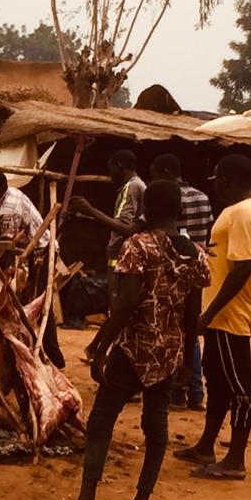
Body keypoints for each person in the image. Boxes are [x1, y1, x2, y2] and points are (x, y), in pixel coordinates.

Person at [38, 181, 209, 500]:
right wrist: (186, 363)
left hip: (134, 349)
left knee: (102, 420)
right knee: (156, 426)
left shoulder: (138, 246)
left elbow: (127, 302)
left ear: (147, 209)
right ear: (176, 211)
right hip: (168, 351)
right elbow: (192, 316)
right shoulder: (195, 254)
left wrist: (100, 346)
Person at [174, 154, 251, 481]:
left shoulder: (242, 213)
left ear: (228, 179)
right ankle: (206, 445)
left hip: (228, 315)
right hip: (225, 314)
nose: (214, 185)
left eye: (216, 178)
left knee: (240, 388)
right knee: (217, 382)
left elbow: (243, 267)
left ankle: (235, 460)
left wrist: (210, 312)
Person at [0, 169, 65, 368]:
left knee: (40, 306)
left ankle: (54, 357)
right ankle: (39, 350)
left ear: (1, 186)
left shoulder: (9, 207)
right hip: (39, 250)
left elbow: (7, 248)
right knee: (33, 304)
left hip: (42, 253)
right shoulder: (9, 194)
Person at [69, 150, 146, 360]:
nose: (109, 173)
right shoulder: (136, 187)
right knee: (117, 306)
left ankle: (108, 355)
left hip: (120, 258)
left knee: (118, 306)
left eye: (111, 167)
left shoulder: (131, 187)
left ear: (119, 165)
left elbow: (124, 228)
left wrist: (90, 209)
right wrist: (84, 215)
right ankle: (96, 348)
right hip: (121, 255)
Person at [151, 153, 214, 411]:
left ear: (165, 172)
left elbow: (172, 233)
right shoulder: (202, 196)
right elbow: (207, 231)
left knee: (174, 329)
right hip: (198, 265)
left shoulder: (169, 198)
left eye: (155, 174)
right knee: (191, 327)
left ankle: (177, 389)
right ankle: (196, 393)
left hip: (174, 269)